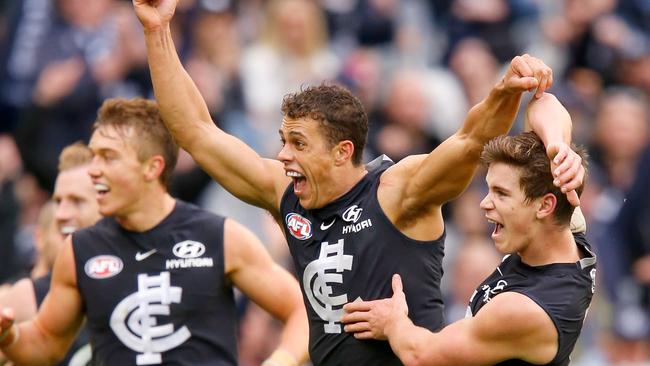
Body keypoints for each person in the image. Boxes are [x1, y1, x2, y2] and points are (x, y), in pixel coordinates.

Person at [131, 1, 585, 364]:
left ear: (342, 152)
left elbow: (470, 142)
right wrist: (157, 31)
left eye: (298, 143)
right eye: (282, 141)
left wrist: (503, 92)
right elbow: (196, 131)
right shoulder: (283, 193)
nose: (283, 155)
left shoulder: (397, 192)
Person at [0, 97, 308, 366]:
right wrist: (9, 334)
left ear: (152, 168)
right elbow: (45, 343)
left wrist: (279, 361)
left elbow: (302, 310)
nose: (94, 169)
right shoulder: (80, 250)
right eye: (94, 156)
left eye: (108, 157)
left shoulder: (219, 237)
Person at [341, 94, 596, 366]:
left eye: (501, 193)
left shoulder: (524, 309)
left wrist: (393, 323)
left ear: (544, 206)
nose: (484, 204)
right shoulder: (564, 228)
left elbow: (421, 356)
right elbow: (543, 103)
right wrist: (558, 146)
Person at [0, 141, 101, 365]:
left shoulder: (137, 273)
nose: (61, 214)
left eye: (77, 201)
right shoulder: (27, 296)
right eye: (58, 201)